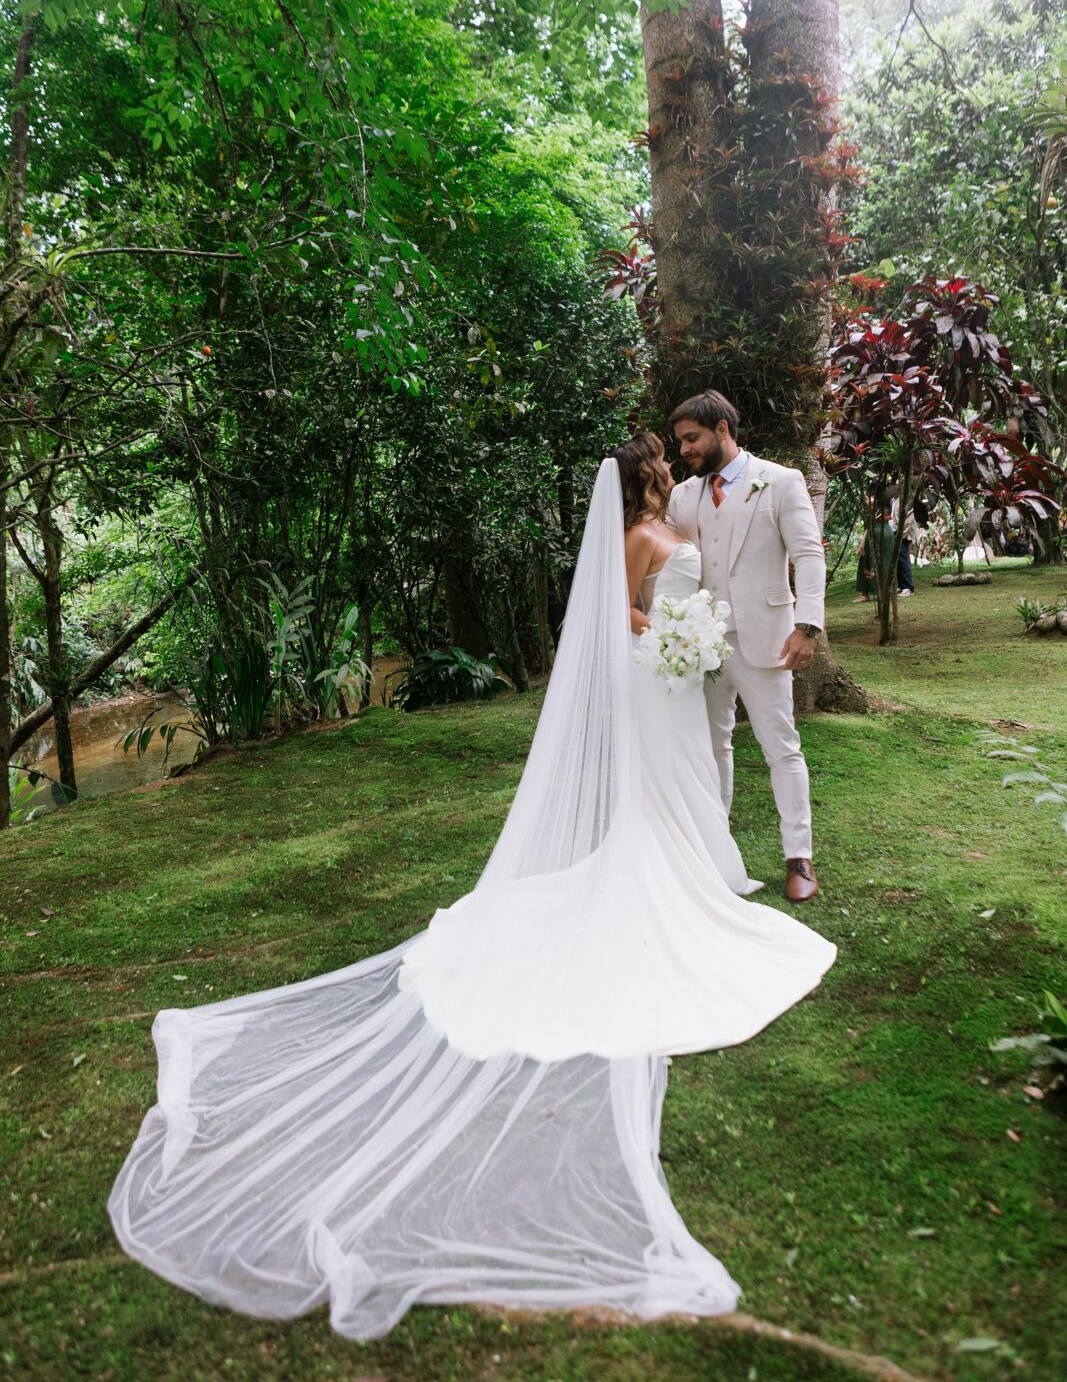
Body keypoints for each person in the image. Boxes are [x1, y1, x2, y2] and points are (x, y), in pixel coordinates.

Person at [107, 436, 836, 1342]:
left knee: (687, 787)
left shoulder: (668, 519)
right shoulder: (644, 532)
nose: (671, 467)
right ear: (650, 473)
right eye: (663, 459)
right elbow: (615, 615)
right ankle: (673, 888)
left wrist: (689, 636)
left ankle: (700, 873)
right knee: (664, 794)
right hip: (661, 677)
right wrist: (671, 636)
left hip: (676, 675)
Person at [666, 391, 827, 904]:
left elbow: (808, 555)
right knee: (711, 747)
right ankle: (716, 851)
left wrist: (808, 627)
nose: (685, 450)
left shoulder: (780, 481)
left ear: (721, 429)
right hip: (702, 647)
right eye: (681, 442)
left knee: (782, 747)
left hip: (767, 639)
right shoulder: (682, 497)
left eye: (691, 439)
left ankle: (798, 856)